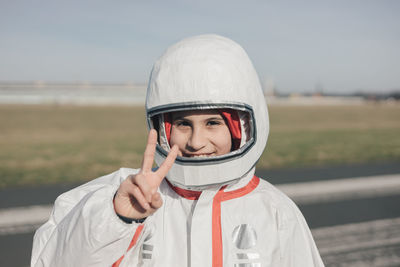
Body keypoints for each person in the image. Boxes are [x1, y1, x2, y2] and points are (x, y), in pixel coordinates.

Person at [31, 34, 324, 266]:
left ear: (242, 128)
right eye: (183, 124)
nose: (196, 141)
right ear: (163, 128)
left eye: (212, 123)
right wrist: (117, 219)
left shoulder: (275, 210)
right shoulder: (123, 194)